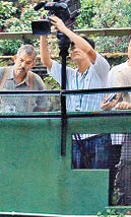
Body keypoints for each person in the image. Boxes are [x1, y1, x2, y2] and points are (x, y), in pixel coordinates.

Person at [40, 15, 111, 170]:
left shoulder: (100, 69)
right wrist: (44, 33)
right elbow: (46, 61)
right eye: (72, 48)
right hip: (76, 136)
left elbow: (89, 50)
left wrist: (64, 28)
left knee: (98, 182)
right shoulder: (70, 75)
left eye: (77, 46)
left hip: (98, 135)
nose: (74, 49)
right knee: (78, 182)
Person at [101, 38, 131, 205]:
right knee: (126, 163)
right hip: (127, 127)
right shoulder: (119, 71)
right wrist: (109, 103)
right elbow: (114, 96)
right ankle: (125, 204)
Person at [0, 44, 50, 113]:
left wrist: (33, 121)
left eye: (28, 63)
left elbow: (44, 107)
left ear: (33, 64)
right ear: (15, 58)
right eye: (21, 60)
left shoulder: (36, 81)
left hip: (25, 123)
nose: (23, 65)